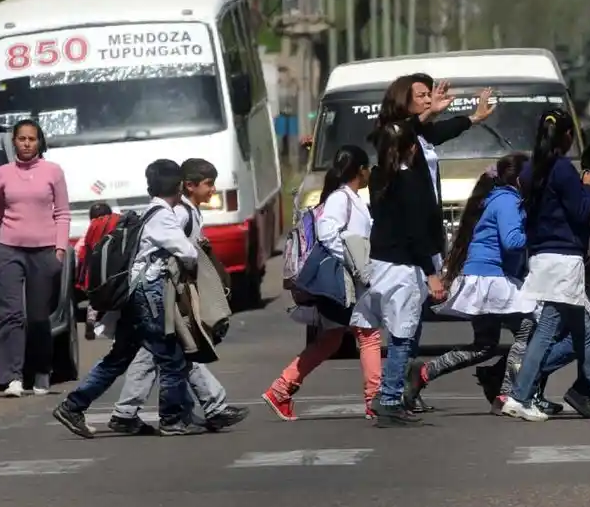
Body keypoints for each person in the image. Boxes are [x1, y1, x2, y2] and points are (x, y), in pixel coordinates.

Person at [357, 76, 496, 427]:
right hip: (401, 260)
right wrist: (432, 273)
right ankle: (390, 397)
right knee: (402, 333)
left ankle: (396, 395)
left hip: (402, 257)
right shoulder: (400, 168)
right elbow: (414, 226)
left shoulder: (399, 160)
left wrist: (471, 118)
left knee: (407, 328)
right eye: (419, 96)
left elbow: (434, 131)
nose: (427, 100)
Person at [52, 160, 200, 437]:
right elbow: (188, 253)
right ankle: (172, 419)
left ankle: (73, 406)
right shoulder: (163, 215)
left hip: (135, 293)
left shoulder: (151, 211)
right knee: (172, 358)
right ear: (179, 186)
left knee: (119, 357)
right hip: (149, 294)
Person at [106, 158, 247, 434]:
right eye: (209, 184)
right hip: (165, 292)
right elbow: (175, 251)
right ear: (188, 186)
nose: (213, 190)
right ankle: (211, 407)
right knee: (176, 349)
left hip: (169, 291)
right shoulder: (180, 214)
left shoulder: (189, 212)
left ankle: (130, 412)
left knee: (158, 352)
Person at [500, 108, 590, 421]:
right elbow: (580, 212)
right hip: (564, 259)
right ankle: (519, 395)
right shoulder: (563, 169)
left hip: (542, 256)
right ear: (567, 135)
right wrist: (588, 186)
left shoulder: (531, 170)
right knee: (548, 328)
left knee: (582, 330)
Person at [404, 153, 537, 412]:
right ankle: (507, 394)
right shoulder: (507, 201)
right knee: (528, 331)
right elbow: (512, 241)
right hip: (492, 279)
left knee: (484, 345)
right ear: (520, 179)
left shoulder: (496, 199)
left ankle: (424, 372)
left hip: (483, 278)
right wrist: (538, 231)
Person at [262, 145, 383, 421]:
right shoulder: (341, 198)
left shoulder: (349, 197)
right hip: (345, 281)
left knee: (331, 339)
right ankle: (374, 399)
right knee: (368, 334)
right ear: (361, 171)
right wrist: (354, 262)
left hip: (350, 280)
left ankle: (280, 390)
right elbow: (328, 233)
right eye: (367, 169)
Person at [528, 141, 590, 417]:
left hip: (585, 280)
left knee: (577, 335)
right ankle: (527, 377)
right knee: (583, 337)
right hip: (581, 281)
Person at [0, 119, 70, 397]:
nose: (26, 144)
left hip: (44, 251)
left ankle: (41, 372)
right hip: (8, 249)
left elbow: (62, 213)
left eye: (32, 139)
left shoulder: (53, 171)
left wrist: (59, 249)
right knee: (10, 314)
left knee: (38, 316)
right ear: (14, 142)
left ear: (39, 142)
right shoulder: (2, 174)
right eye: (21, 139)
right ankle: (12, 378)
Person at [77, 202, 116, 340]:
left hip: (94, 273)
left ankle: (91, 321)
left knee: (94, 300)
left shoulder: (90, 229)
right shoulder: (116, 227)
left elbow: (79, 251)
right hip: (113, 271)